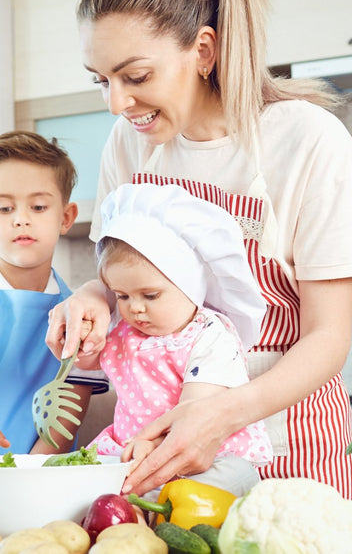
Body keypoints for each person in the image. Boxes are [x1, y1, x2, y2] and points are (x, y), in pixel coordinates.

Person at [45, 0, 352, 502]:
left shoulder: (308, 140)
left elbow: (328, 337)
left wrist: (217, 415)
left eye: (136, 77)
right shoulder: (127, 145)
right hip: (159, 447)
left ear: (203, 50)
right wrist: (91, 296)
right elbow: (117, 275)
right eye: (101, 80)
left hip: (291, 440)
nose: (117, 104)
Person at [0, 130, 108, 469]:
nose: (21, 218)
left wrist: (26, 473)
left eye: (38, 206)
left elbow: (69, 415)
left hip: (41, 473)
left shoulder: (81, 316)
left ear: (66, 217)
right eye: (4, 208)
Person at [86, 183, 272, 496]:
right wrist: (84, 341)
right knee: (85, 483)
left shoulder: (211, 335)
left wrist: (154, 448)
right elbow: (90, 362)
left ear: (191, 285)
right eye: (122, 295)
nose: (135, 307)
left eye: (150, 295)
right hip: (134, 452)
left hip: (207, 455)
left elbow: (195, 408)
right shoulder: (126, 334)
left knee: (219, 481)